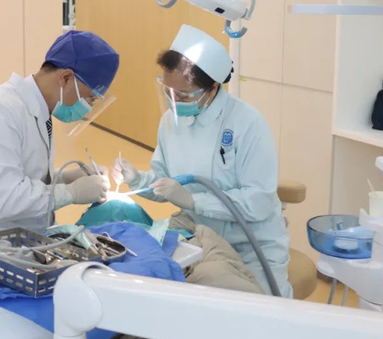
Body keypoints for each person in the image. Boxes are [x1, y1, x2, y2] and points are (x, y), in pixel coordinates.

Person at [112, 24, 292, 297]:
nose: (174, 101)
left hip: (249, 246)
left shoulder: (247, 123)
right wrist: (138, 179)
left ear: (212, 88)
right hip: (197, 236)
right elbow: (164, 182)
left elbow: (258, 202)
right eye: (168, 91)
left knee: (252, 311)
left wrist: (194, 200)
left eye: (182, 95)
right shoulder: (170, 122)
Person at [0, 31, 119, 239]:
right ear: (66, 78)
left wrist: (64, 178)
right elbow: (2, 199)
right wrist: (71, 193)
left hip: (27, 236)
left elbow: (25, 173)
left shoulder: (40, 110)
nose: (88, 106)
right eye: (89, 98)